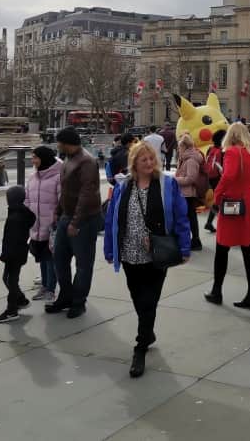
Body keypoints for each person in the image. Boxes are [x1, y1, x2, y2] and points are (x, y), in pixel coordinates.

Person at [104, 141, 191, 377]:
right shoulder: (123, 185)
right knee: (137, 297)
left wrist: (184, 247)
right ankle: (148, 331)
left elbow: (181, 216)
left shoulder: (167, 183)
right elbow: (112, 219)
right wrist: (110, 249)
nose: (150, 163)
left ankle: (140, 348)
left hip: (157, 254)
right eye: (144, 160)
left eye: (152, 158)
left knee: (149, 301)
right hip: (129, 252)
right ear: (134, 163)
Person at [204, 122, 250, 309]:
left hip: (234, 203)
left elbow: (229, 176)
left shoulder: (232, 152)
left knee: (222, 249)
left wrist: (217, 195)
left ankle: (216, 291)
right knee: (248, 250)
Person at [51, 128, 101, 319]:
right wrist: (58, 211)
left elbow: (87, 193)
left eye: (59, 142)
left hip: (84, 219)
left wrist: (75, 222)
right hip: (67, 216)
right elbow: (65, 190)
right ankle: (66, 296)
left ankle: (78, 301)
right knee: (59, 259)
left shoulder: (87, 161)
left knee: (83, 264)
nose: (57, 145)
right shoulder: (69, 159)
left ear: (65, 143)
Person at [0, 186, 35, 323]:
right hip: (17, 253)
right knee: (8, 279)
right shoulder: (20, 213)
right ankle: (20, 300)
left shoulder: (15, 217)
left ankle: (12, 309)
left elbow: (12, 239)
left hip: (14, 254)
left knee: (10, 280)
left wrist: (6, 255)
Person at [26, 146, 61, 306]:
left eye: (35, 157)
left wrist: (55, 220)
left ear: (44, 158)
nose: (32, 160)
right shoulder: (33, 177)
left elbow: (61, 201)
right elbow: (27, 199)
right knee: (42, 257)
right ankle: (45, 285)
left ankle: (50, 288)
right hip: (36, 225)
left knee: (50, 259)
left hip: (51, 226)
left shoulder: (58, 177)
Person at [174, 134, 205, 251]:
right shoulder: (185, 158)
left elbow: (191, 178)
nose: (178, 149)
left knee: (190, 217)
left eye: (179, 147)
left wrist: (175, 179)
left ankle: (195, 240)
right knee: (190, 217)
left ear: (185, 146)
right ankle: (194, 240)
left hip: (188, 193)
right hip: (185, 192)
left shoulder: (191, 159)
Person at [203, 129, 226, 234]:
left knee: (217, 200)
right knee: (220, 200)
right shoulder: (222, 150)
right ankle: (216, 223)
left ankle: (209, 222)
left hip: (210, 177)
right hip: (218, 178)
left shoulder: (210, 149)